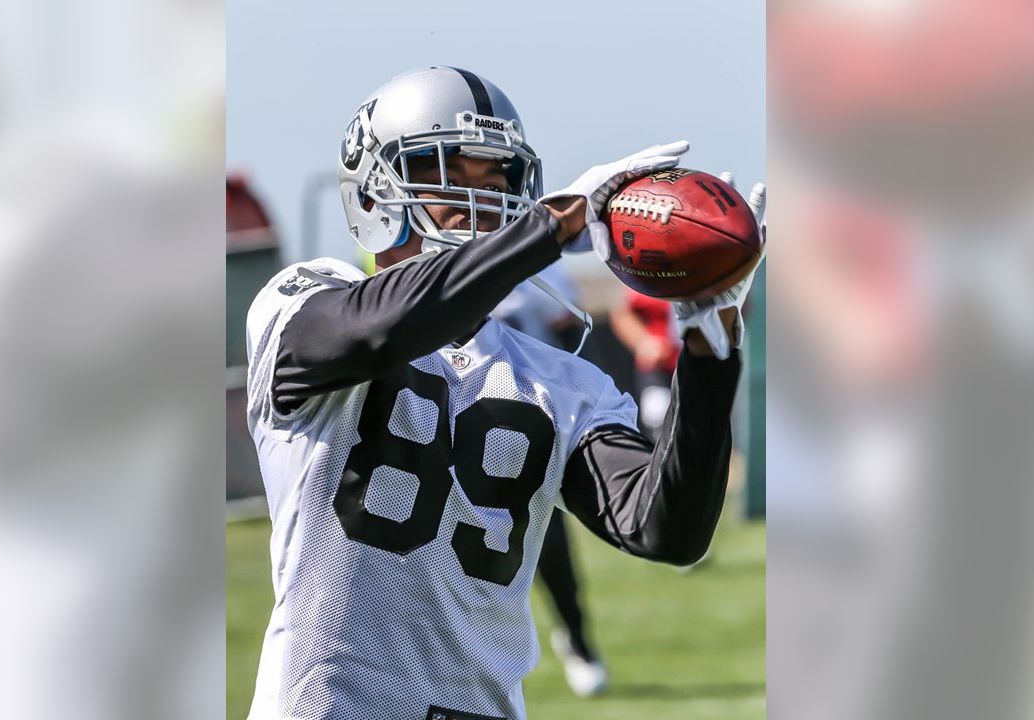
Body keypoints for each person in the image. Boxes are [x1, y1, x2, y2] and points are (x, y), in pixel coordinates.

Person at [244, 66, 761, 720]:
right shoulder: (305, 299)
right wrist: (548, 228)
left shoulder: (558, 379)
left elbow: (665, 528)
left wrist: (710, 351)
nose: (479, 205)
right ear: (375, 192)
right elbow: (373, 334)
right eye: (449, 179)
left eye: (496, 184)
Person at [490, 266, 607, 697]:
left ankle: (577, 639)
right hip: (457, 432)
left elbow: (565, 321)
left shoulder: (537, 269)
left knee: (551, 549)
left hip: (532, 430)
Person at [610, 287, 681, 439]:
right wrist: (643, 341)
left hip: (697, 366)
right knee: (658, 415)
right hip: (658, 368)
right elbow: (622, 312)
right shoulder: (653, 280)